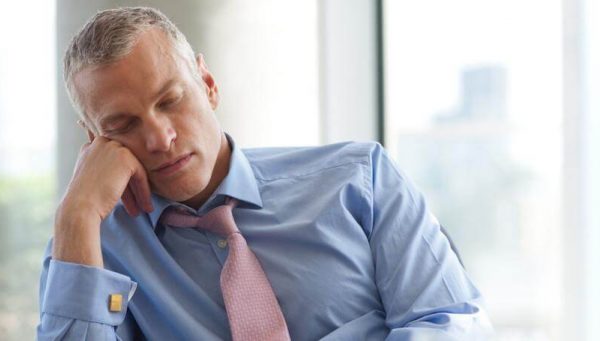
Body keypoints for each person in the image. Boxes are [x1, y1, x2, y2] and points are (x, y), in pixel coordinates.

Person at [38, 7, 490, 340]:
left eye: (170, 100)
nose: (159, 138)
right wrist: (75, 217)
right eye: (123, 126)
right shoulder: (93, 251)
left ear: (207, 84)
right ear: (94, 140)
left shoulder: (361, 181)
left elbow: (453, 322)